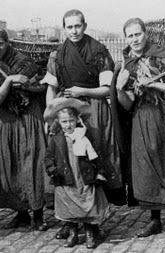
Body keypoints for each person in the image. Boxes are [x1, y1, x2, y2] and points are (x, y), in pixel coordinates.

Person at [41, 9, 124, 239]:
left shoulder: (98, 50)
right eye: (69, 27)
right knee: (67, 163)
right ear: (64, 28)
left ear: (85, 26)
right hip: (65, 111)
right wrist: (51, 116)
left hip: (93, 110)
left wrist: (82, 91)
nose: (74, 31)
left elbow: (106, 89)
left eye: (78, 26)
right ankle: (70, 220)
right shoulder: (58, 54)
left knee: (90, 163)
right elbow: (50, 89)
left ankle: (93, 221)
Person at [115, 18, 165, 239]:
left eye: (137, 34)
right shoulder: (127, 64)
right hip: (144, 117)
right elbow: (128, 103)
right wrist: (120, 89)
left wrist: (156, 84)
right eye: (130, 36)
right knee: (148, 168)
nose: (134, 40)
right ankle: (155, 220)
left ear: (145, 34)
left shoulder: (162, 57)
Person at [0, 28, 48, 230]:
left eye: (1, 43)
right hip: (6, 118)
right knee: (13, 163)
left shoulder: (26, 61)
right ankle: (21, 213)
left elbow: (42, 84)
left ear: (8, 42)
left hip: (29, 116)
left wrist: (28, 86)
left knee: (34, 161)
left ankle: (39, 213)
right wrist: (10, 80)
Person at [44, 97, 109, 249]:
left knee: (87, 203)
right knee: (69, 207)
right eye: (64, 122)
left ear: (77, 120)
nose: (68, 125)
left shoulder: (84, 136)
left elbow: (96, 155)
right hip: (66, 179)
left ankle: (90, 233)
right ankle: (72, 233)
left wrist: (99, 171)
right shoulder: (56, 139)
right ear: (59, 123)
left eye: (71, 121)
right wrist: (52, 169)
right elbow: (48, 158)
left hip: (83, 177)